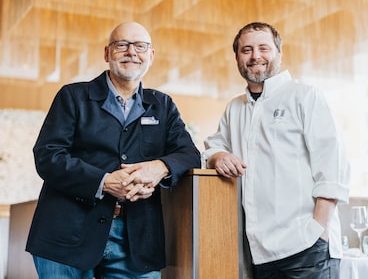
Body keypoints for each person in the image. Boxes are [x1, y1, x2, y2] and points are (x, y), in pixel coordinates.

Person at [26, 21, 201, 278]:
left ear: (150, 56)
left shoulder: (163, 105)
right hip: (67, 235)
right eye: (122, 45)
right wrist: (104, 182)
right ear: (107, 54)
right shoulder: (72, 97)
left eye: (140, 46)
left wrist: (159, 167)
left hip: (136, 241)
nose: (132, 52)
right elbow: (48, 155)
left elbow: (189, 154)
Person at [202, 22, 350, 279]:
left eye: (263, 48)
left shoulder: (305, 96)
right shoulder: (233, 108)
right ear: (237, 57)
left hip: (306, 248)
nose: (255, 56)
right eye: (246, 50)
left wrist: (318, 229)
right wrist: (219, 156)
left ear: (279, 53)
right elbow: (214, 146)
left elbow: (333, 165)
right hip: (258, 253)